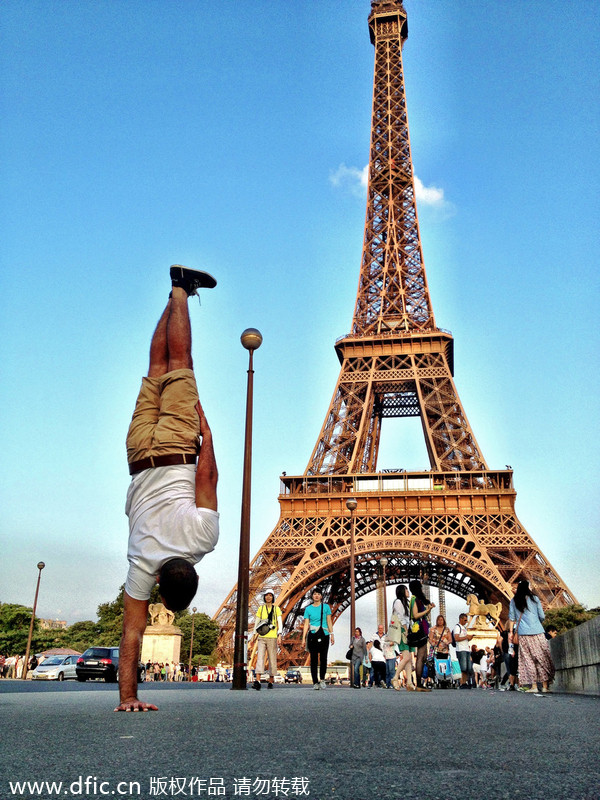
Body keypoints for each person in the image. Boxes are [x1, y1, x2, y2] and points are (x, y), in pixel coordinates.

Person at [115, 265, 219, 713]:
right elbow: (132, 635)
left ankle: (179, 291)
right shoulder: (141, 564)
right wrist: (129, 696)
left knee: (180, 365)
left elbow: (207, 480)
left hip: (179, 447)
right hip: (138, 454)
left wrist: (207, 438)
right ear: (160, 583)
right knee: (156, 368)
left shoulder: (202, 539)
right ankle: (178, 292)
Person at [509, 579, 555, 693]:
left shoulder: (514, 600)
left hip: (523, 634)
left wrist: (511, 632)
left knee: (528, 660)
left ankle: (534, 686)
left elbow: (512, 618)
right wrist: (535, 623)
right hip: (538, 632)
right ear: (528, 588)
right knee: (541, 658)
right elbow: (542, 616)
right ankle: (545, 687)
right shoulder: (535, 599)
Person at [301, 588, 335, 689]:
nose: (316, 595)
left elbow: (329, 621)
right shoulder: (308, 609)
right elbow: (306, 624)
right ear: (312, 596)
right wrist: (303, 638)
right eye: (315, 594)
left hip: (324, 634)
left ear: (321, 596)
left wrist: (332, 634)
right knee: (314, 659)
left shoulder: (326, 607)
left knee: (324, 658)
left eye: (318, 594)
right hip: (312, 635)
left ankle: (322, 679)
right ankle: (315, 682)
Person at [251, 591, 282, 690]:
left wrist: (279, 634)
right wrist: (254, 634)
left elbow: (279, 622)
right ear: (264, 597)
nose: (268, 597)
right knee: (260, 657)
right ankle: (258, 681)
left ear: (273, 597)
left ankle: (271, 681)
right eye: (266, 595)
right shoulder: (261, 608)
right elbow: (257, 622)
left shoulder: (276, 609)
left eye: (270, 595)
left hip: (272, 636)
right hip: (262, 636)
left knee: (272, 658)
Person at [408, 579, 435, 692]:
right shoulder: (414, 599)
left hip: (422, 628)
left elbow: (421, 615)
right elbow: (415, 615)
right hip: (420, 630)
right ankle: (419, 683)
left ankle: (419, 682)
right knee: (420, 657)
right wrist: (427, 610)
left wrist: (429, 609)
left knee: (423, 657)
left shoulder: (417, 600)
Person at [391, 585, 414, 691]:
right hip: (402, 630)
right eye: (406, 590)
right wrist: (406, 629)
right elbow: (400, 617)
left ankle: (409, 682)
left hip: (408, 630)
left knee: (408, 658)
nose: (408, 591)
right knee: (407, 657)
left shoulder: (407, 603)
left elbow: (409, 618)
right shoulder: (398, 602)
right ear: (401, 591)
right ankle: (395, 677)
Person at [453, 613, 474, 688]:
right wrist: (466, 637)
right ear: (461, 619)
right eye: (465, 620)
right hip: (461, 649)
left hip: (466, 649)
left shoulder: (464, 628)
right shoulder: (457, 627)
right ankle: (462, 682)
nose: (466, 621)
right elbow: (456, 638)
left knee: (467, 668)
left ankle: (465, 682)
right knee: (463, 667)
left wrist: (469, 638)